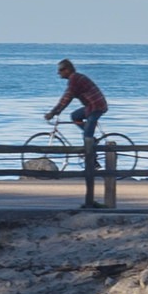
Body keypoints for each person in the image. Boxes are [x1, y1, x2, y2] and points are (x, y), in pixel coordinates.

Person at [46, 60, 110, 208]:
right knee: (75, 116)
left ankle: (93, 161)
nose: (58, 73)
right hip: (90, 106)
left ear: (68, 70)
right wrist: (56, 111)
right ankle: (92, 141)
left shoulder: (75, 79)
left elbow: (66, 99)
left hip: (96, 107)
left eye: (61, 70)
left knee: (86, 136)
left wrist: (53, 112)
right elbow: (66, 99)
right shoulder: (74, 78)